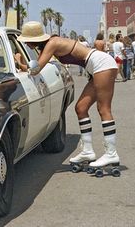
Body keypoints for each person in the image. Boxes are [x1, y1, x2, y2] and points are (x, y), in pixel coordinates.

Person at [18, 21, 120, 172]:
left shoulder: (53, 43)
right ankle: (87, 150)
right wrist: (23, 65)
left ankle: (111, 153)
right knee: (81, 108)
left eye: (27, 41)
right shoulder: (49, 45)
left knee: (103, 109)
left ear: (35, 39)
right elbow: (37, 66)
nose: (26, 44)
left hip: (101, 64)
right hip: (95, 67)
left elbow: (35, 69)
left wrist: (19, 62)